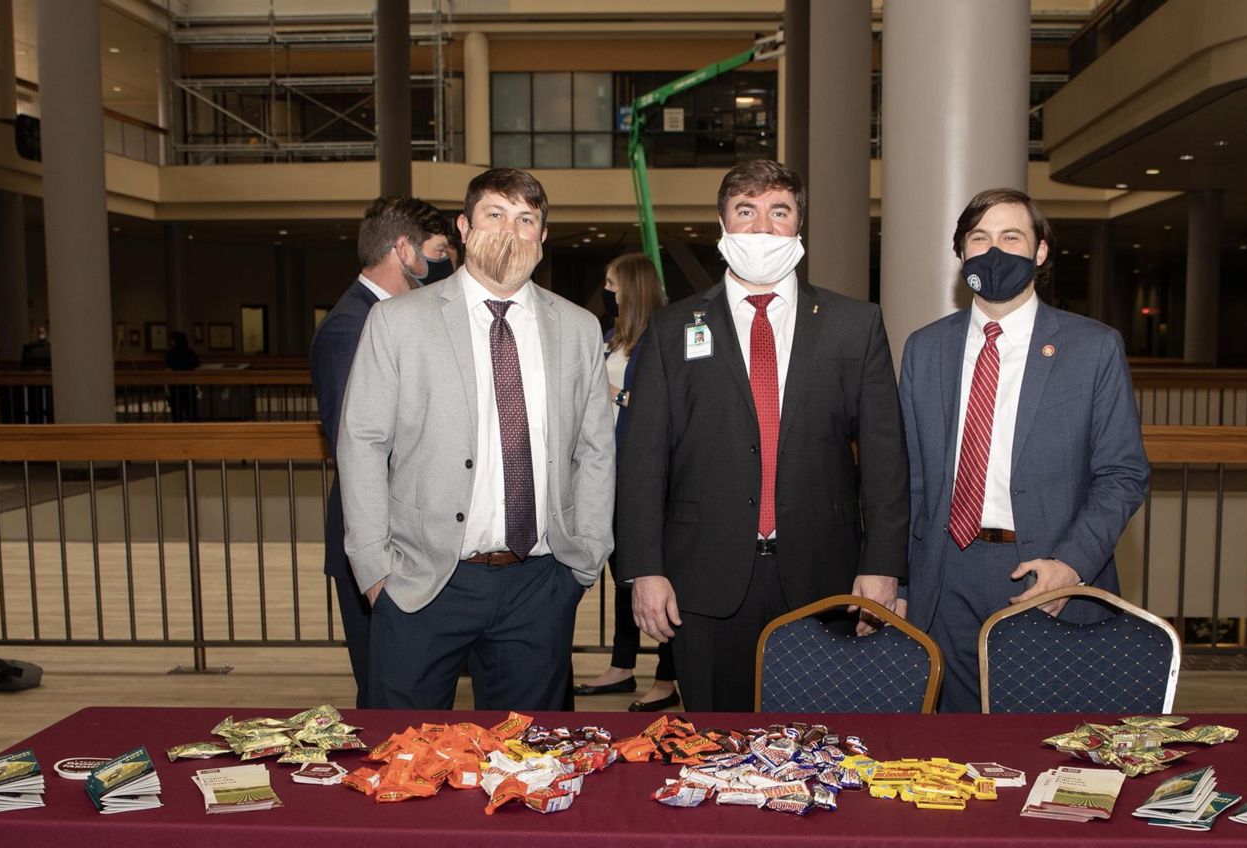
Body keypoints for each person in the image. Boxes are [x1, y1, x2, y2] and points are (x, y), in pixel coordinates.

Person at [616, 159, 909, 713]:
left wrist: (883, 565)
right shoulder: (673, 327)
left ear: (799, 225)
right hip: (703, 578)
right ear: (721, 225)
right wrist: (645, 569)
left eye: (779, 212)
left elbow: (885, 458)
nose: (762, 227)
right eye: (745, 212)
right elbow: (642, 460)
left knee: (819, 756)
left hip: (825, 578)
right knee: (714, 759)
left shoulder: (855, 324)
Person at [337, 168, 615, 711]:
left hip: (540, 582)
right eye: (496, 214)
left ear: (541, 237)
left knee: (532, 766)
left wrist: (586, 559)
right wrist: (375, 569)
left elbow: (596, 449)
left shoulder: (578, 328)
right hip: (422, 581)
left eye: (526, 219)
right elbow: (362, 441)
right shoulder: (397, 322)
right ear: (464, 226)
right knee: (405, 763)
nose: (511, 232)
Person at [897, 186, 1150, 712]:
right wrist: (901, 576)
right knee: (953, 750)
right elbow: (908, 477)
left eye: (1011, 237)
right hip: (944, 575)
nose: (994, 251)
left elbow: (1122, 474)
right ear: (961, 252)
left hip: (1046, 573)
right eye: (979, 238)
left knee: (1044, 750)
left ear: (1040, 252)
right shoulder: (925, 348)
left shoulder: (1093, 346)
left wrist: (1071, 565)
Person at [311, 196, 437, 707]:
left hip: (412, 541)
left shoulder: (397, 318)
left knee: (416, 689)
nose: (441, 264)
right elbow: (359, 443)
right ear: (403, 250)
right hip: (378, 546)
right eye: (436, 250)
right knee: (386, 695)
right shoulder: (350, 327)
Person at [573, 252, 680, 712]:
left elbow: (664, 406)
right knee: (623, 575)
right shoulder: (610, 337)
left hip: (648, 473)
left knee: (660, 574)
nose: (608, 289)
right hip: (608, 471)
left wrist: (614, 394)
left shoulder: (665, 336)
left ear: (632, 286)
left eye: (613, 282)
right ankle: (621, 664)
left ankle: (668, 674)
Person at [164, 331, 201, 422]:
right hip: (189, 386)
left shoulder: (170, 354)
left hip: (175, 387)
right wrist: (197, 385)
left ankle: (177, 433)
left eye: (172, 340)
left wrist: (166, 387)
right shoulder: (190, 353)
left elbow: (168, 372)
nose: (170, 342)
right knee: (191, 413)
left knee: (176, 414)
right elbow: (196, 369)